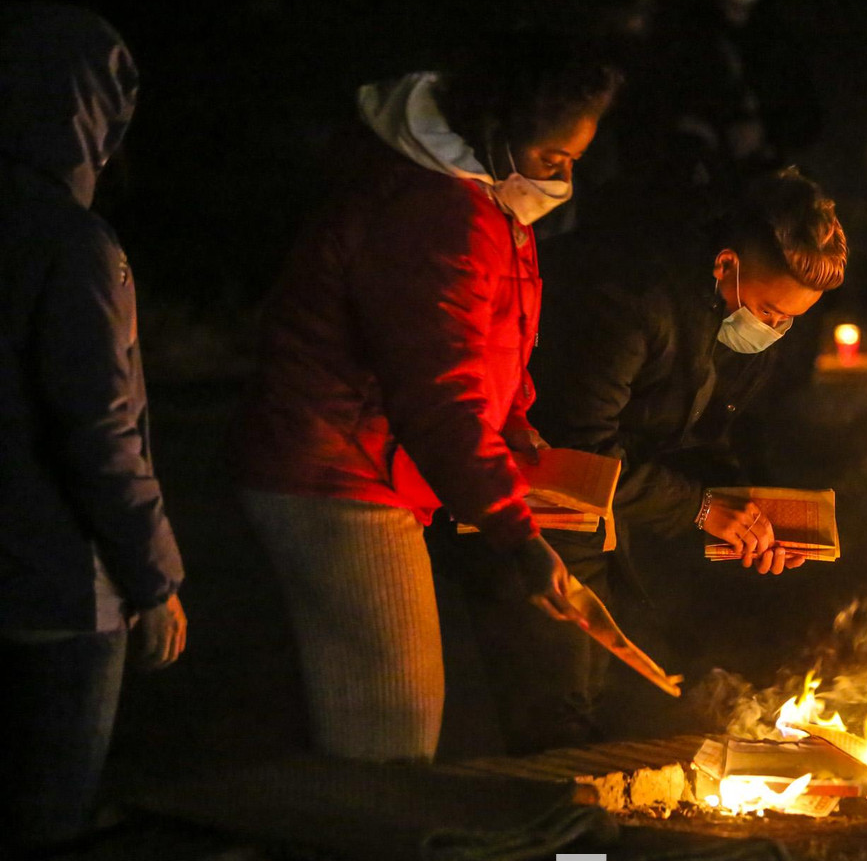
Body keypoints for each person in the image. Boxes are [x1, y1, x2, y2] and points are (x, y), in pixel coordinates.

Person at [230, 37, 621, 763]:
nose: (564, 180)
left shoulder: (479, 198)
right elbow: (437, 391)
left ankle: (342, 852)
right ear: (498, 130)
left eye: (573, 160)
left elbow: (482, 345)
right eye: (552, 158)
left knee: (380, 719)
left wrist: (513, 421)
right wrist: (517, 534)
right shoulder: (434, 212)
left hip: (364, 466)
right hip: (336, 476)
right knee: (389, 731)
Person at [514, 166, 847, 729]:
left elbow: (707, 432)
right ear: (726, 265)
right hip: (544, 516)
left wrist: (752, 515)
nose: (774, 331)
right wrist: (702, 509)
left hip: (625, 511)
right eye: (770, 313)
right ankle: (553, 804)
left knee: (629, 695)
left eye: (790, 322)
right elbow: (579, 453)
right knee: (562, 701)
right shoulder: (631, 299)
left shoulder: (740, 313)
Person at [0, 4, 187, 855]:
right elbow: (100, 427)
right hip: (57, 590)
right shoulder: (70, 244)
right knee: (46, 833)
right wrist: (154, 578)